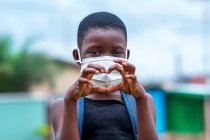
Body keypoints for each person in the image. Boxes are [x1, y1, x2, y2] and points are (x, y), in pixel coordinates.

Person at [51, 11, 158, 140]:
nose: (106, 59)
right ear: (77, 56)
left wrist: (141, 99)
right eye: (95, 52)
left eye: (116, 52)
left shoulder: (142, 101)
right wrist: (70, 101)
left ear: (126, 56)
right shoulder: (63, 105)